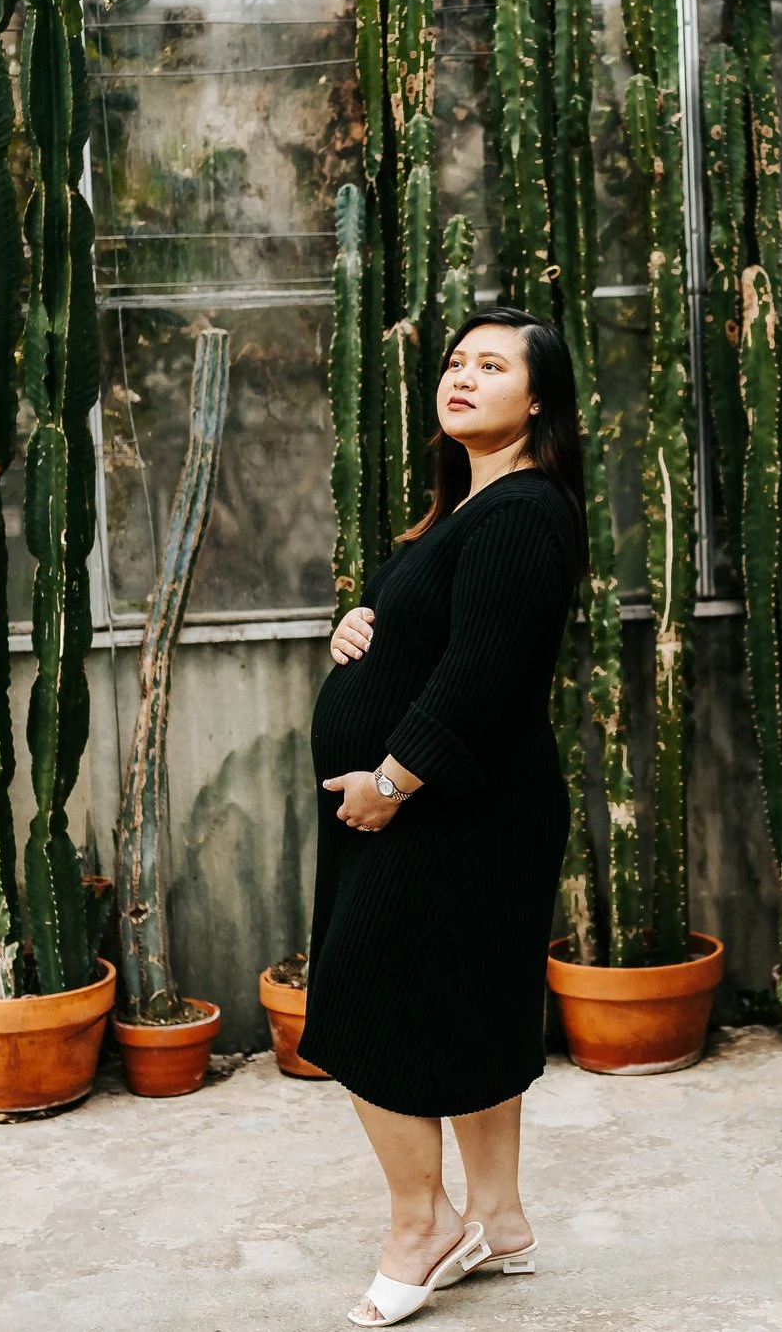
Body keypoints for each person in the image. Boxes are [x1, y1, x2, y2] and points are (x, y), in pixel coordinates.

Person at [304, 306, 587, 1328]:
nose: (462, 375)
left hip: (453, 811)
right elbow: (436, 633)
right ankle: (499, 1218)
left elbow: (481, 672)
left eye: (494, 364)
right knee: (472, 1000)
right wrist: (358, 624)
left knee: (361, 995)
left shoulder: (521, 509)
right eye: (457, 360)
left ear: (538, 397)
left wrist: (391, 778)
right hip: (452, 808)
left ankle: (420, 1225)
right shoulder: (468, 507)